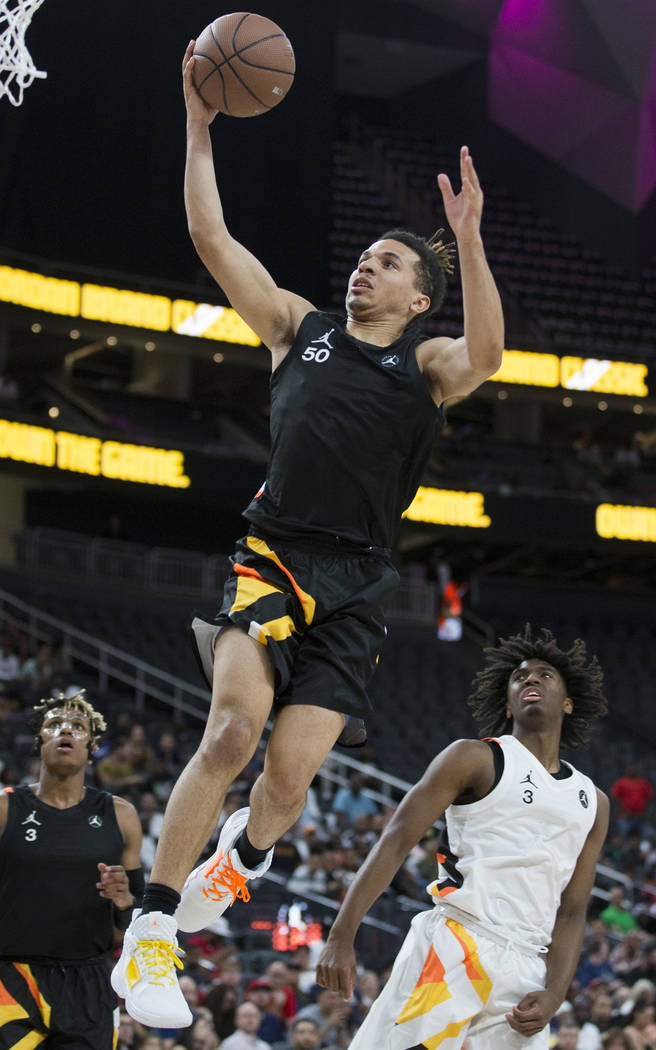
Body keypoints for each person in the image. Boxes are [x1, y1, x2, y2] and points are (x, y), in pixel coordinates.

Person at [113, 37, 505, 1029]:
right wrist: (200, 127)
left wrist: (465, 237)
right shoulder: (298, 326)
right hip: (275, 553)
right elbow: (214, 241)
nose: (363, 272)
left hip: (359, 584)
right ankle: (151, 936)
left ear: (417, 298)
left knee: (286, 787)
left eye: (385, 265)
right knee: (234, 729)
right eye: (362, 259)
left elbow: (492, 351)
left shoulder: (428, 368)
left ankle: (243, 855)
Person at [316, 625, 610, 1049]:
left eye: (545, 675)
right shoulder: (474, 758)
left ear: (567, 702)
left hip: (527, 964)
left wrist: (556, 992)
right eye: (519, 677)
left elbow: (572, 910)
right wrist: (341, 935)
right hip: (458, 940)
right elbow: (395, 842)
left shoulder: (592, 801)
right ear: (507, 704)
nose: (530, 679)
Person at [0, 689, 143, 1049]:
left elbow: (139, 916)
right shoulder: (5, 807)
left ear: (92, 746)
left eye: (78, 726)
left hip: (89, 982)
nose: (66, 730)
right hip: (12, 976)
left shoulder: (121, 815)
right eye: (55, 724)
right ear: (39, 741)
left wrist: (125, 900)